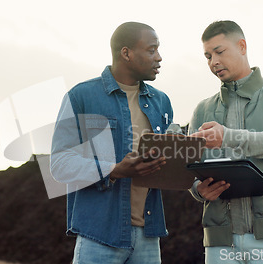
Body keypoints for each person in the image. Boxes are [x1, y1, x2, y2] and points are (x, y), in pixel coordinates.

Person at [50, 22, 173, 264]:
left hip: (149, 235)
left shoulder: (162, 102)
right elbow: (59, 164)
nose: (159, 57)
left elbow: (169, 164)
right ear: (126, 53)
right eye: (151, 50)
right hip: (99, 235)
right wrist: (113, 170)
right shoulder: (81, 97)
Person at [188, 20, 263, 264]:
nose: (213, 62)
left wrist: (227, 137)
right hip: (220, 241)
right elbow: (187, 165)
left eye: (219, 52)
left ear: (242, 46)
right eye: (208, 56)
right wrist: (198, 190)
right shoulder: (202, 109)